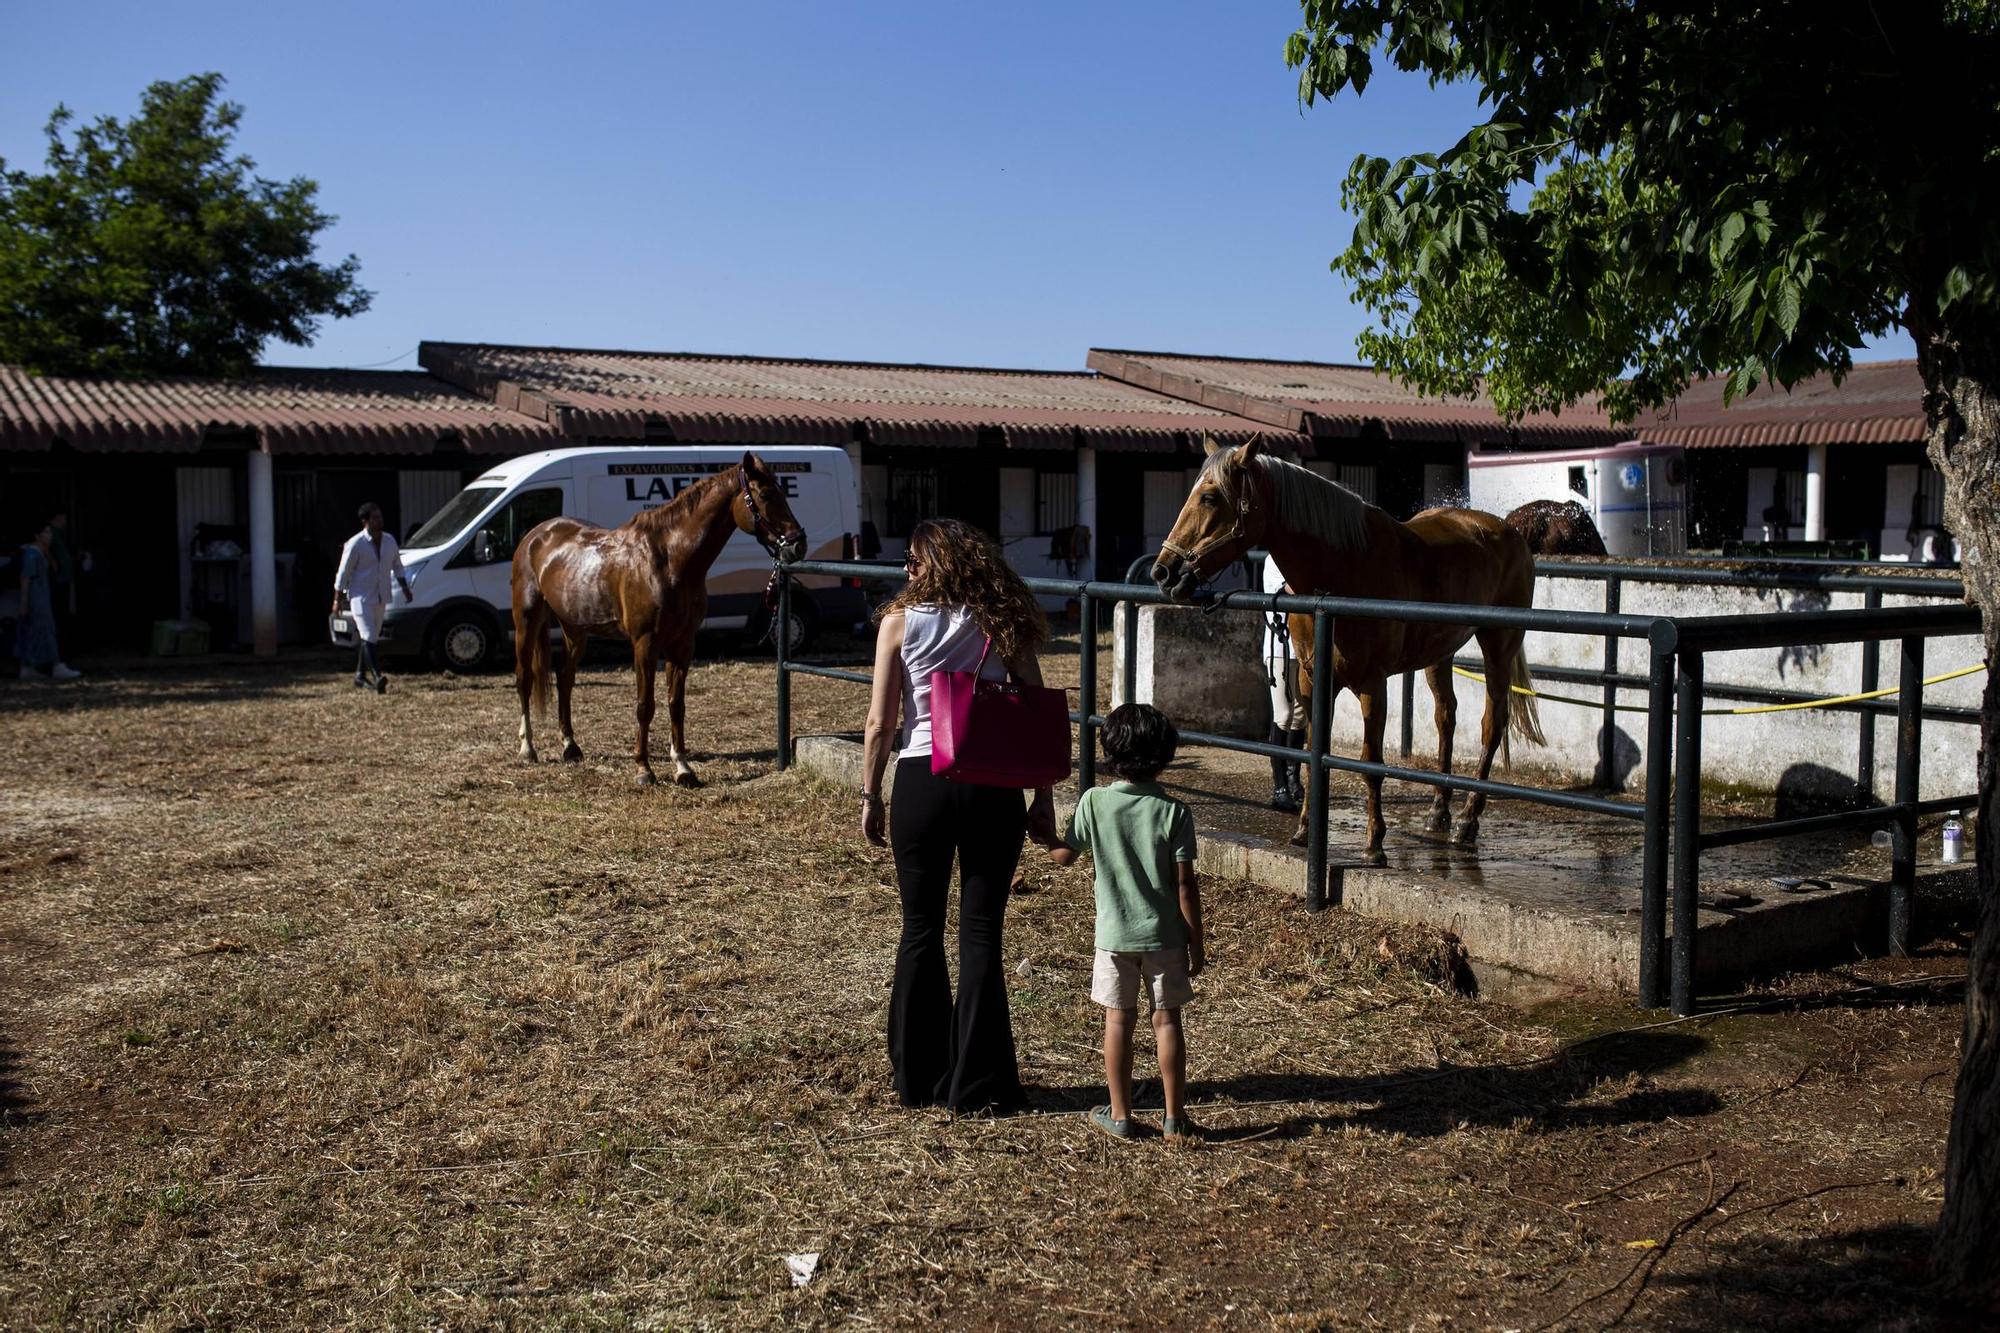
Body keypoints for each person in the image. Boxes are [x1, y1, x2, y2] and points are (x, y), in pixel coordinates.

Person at [860, 518, 1060, 1113]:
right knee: (981, 935)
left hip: (923, 780)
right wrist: (1042, 796)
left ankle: (917, 1077)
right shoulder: (1003, 623)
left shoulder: (898, 624)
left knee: (919, 928)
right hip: (992, 786)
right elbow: (1039, 717)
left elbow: (879, 722)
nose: (905, 569)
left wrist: (871, 793)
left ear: (932, 563)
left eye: (912, 559)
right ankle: (979, 1084)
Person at [1045, 703, 1204, 1141]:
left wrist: (1041, 832)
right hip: (1166, 936)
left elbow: (1064, 855)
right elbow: (1186, 887)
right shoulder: (1176, 813)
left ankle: (1120, 1115)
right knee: (1167, 1021)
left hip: (1114, 936)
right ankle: (1175, 1118)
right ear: (1166, 754)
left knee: (1119, 1021)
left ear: (1110, 753)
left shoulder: (1094, 802)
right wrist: (1197, 941)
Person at [332, 502, 412, 693]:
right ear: (365, 521)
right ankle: (377, 677)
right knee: (368, 635)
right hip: (360, 597)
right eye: (375, 518)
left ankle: (360, 676)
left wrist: (405, 588)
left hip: (381, 595)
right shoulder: (356, 544)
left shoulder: (389, 541)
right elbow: (343, 573)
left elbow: (397, 566)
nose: (379, 521)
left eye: (380, 517)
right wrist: (338, 598)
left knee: (371, 638)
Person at [1261, 552, 1305, 812]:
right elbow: (1294, 589)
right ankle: (1279, 787)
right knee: (1284, 714)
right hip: (1279, 646)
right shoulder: (1276, 559)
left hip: (1302, 649)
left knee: (1300, 716)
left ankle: (1293, 778)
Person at [15, 520, 81, 681]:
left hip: (42, 598)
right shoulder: (32, 554)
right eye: (46, 532)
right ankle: (55, 664)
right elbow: (26, 578)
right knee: (44, 631)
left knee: (36, 632)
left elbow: (54, 567)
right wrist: (24, 602)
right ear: (37, 536)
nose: (49, 536)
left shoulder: (40, 552)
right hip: (36, 600)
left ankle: (28, 667)